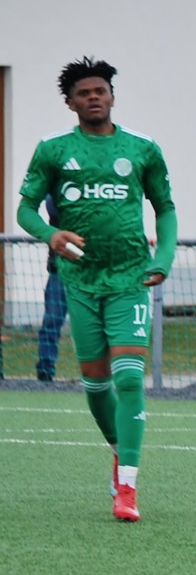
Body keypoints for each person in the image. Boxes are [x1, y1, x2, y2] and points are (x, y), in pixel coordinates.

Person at [17, 56, 178, 522]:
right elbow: (25, 210)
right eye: (84, 93)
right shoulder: (53, 150)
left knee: (129, 378)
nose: (93, 98)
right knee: (95, 384)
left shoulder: (142, 148)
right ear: (70, 103)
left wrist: (163, 258)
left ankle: (127, 487)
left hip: (130, 277)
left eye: (100, 91)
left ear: (112, 97)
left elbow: (165, 208)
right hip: (80, 280)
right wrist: (51, 235)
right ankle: (118, 446)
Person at [36, 194, 69, 383]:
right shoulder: (56, 194)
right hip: (59, 270)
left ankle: (100, 374)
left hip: (90, 271)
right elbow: (52, 207)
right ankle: (45, 370)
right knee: (52, 321)